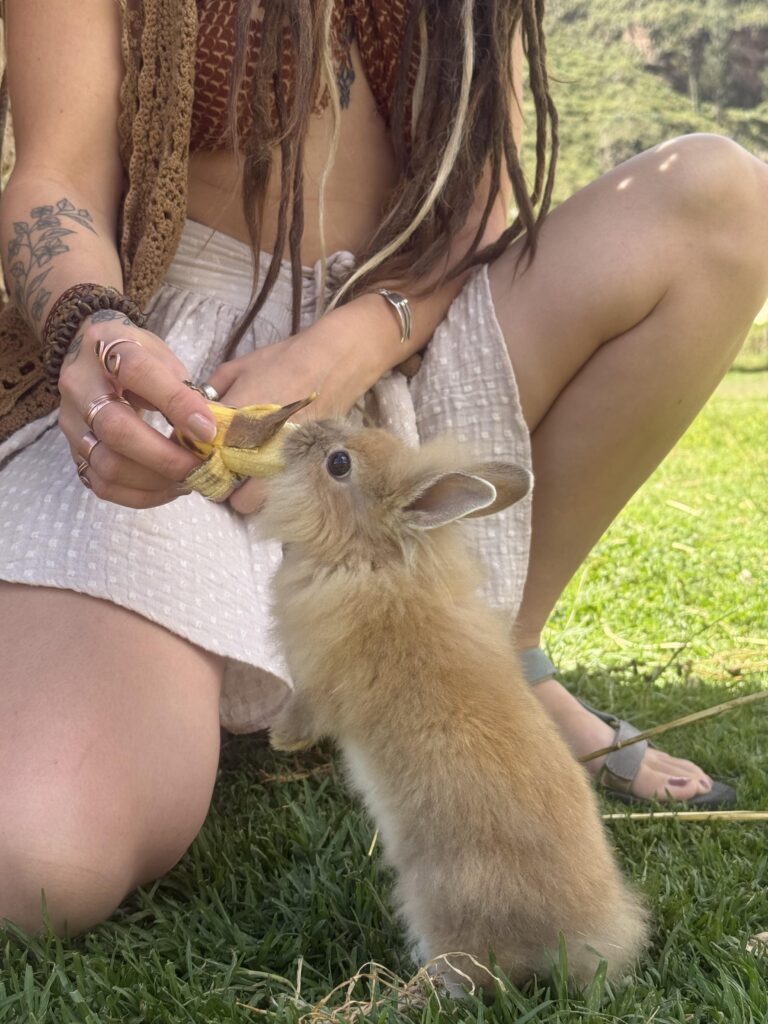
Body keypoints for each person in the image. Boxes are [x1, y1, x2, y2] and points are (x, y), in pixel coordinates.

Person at [0, 0, 766, 938]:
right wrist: (93, 327)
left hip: (408, 325)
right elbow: (54, 177)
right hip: (189, 369)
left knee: (723, 197)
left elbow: (477, 198)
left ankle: (498, 652)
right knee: (41, 862)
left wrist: (350, 345)